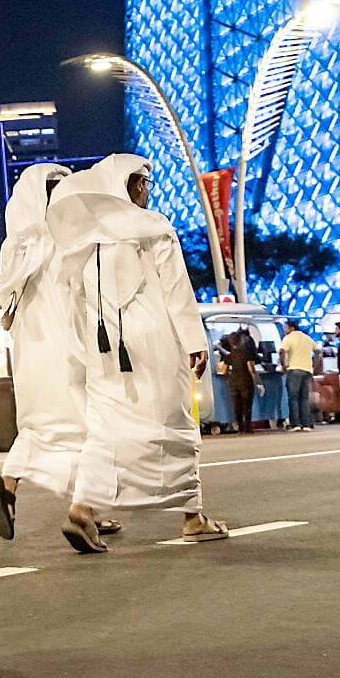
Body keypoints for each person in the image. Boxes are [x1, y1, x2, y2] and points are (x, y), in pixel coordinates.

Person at [45, 154, 228, 551]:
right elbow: (175, 287)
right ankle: (192, 517)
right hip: (155, 341)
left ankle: (82, 509)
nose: (146, 191)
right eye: (141, 183)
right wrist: (195, 341)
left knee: (106, 427)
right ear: (126, 186)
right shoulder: (152, 227)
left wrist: (81, 348)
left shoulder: (81, 241)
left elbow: (67, 298)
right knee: (173, 423)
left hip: (103, 348)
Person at [0, 163, 98, 543]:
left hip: (29, 357)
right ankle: (82, 512)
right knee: (88, 429)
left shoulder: (17, 247)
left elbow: (6, 301)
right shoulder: (65, 242)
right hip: (66, 350)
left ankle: (7, 486)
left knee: (36, 429)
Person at [219, 327, 261, 433]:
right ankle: (248, 427)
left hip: (234, 382)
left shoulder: (228, 356)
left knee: (237, 406)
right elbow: (251, 369)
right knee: (247, 406)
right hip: (246, 382)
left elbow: (223, 371)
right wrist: (258, 382)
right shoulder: (247, 354)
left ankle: (240, 427)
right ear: (241, 341)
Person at [279, 319, 318, 431]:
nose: (285, 330)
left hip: (294, 370)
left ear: (291, 328)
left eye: (286, 327)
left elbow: (282, 351)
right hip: (307, 371)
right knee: (304, 398)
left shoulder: (288, 338)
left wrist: (283, 365)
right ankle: (306, 424)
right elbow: (318, 352)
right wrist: (313, 366)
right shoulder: (306, 338)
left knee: (293, 398)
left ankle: (295, 424)